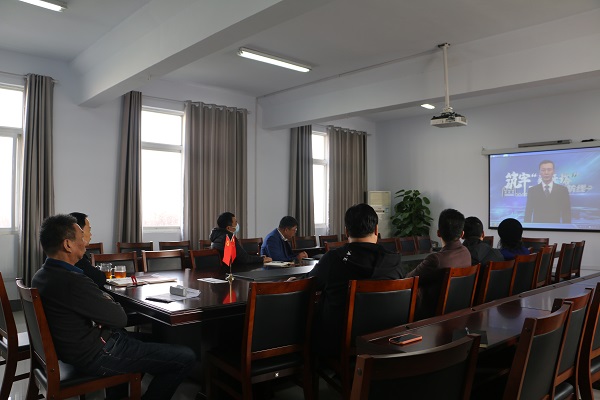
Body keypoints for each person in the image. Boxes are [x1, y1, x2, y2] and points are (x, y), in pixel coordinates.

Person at [31, 214, 196, 400]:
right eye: (81, 238)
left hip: (76, 350)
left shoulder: (40, 276)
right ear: (68, 244)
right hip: (97, 354)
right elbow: (119, 318)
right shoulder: (73, 281)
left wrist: (103, 304)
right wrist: (106, 299)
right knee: (185, 357)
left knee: (156, 340)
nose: (85, 243)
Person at [307, 203, 403, 355]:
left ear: (346, 231)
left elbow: (309, 284)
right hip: (386, 338)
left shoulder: (333, 259)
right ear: (376, 230)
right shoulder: (394, 261)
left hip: (340, 343)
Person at [406, 209, 471, 320]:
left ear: (438, 233)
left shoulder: (436, 259)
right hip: (457, 313)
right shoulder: (466, 253)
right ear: (462, 234)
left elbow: (408, 280)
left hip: (430, 316)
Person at [70, 212, 106, 288]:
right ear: (78, 231)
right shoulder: (75, 256)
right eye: (89, 230)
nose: (91, 234)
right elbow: (99, 278)